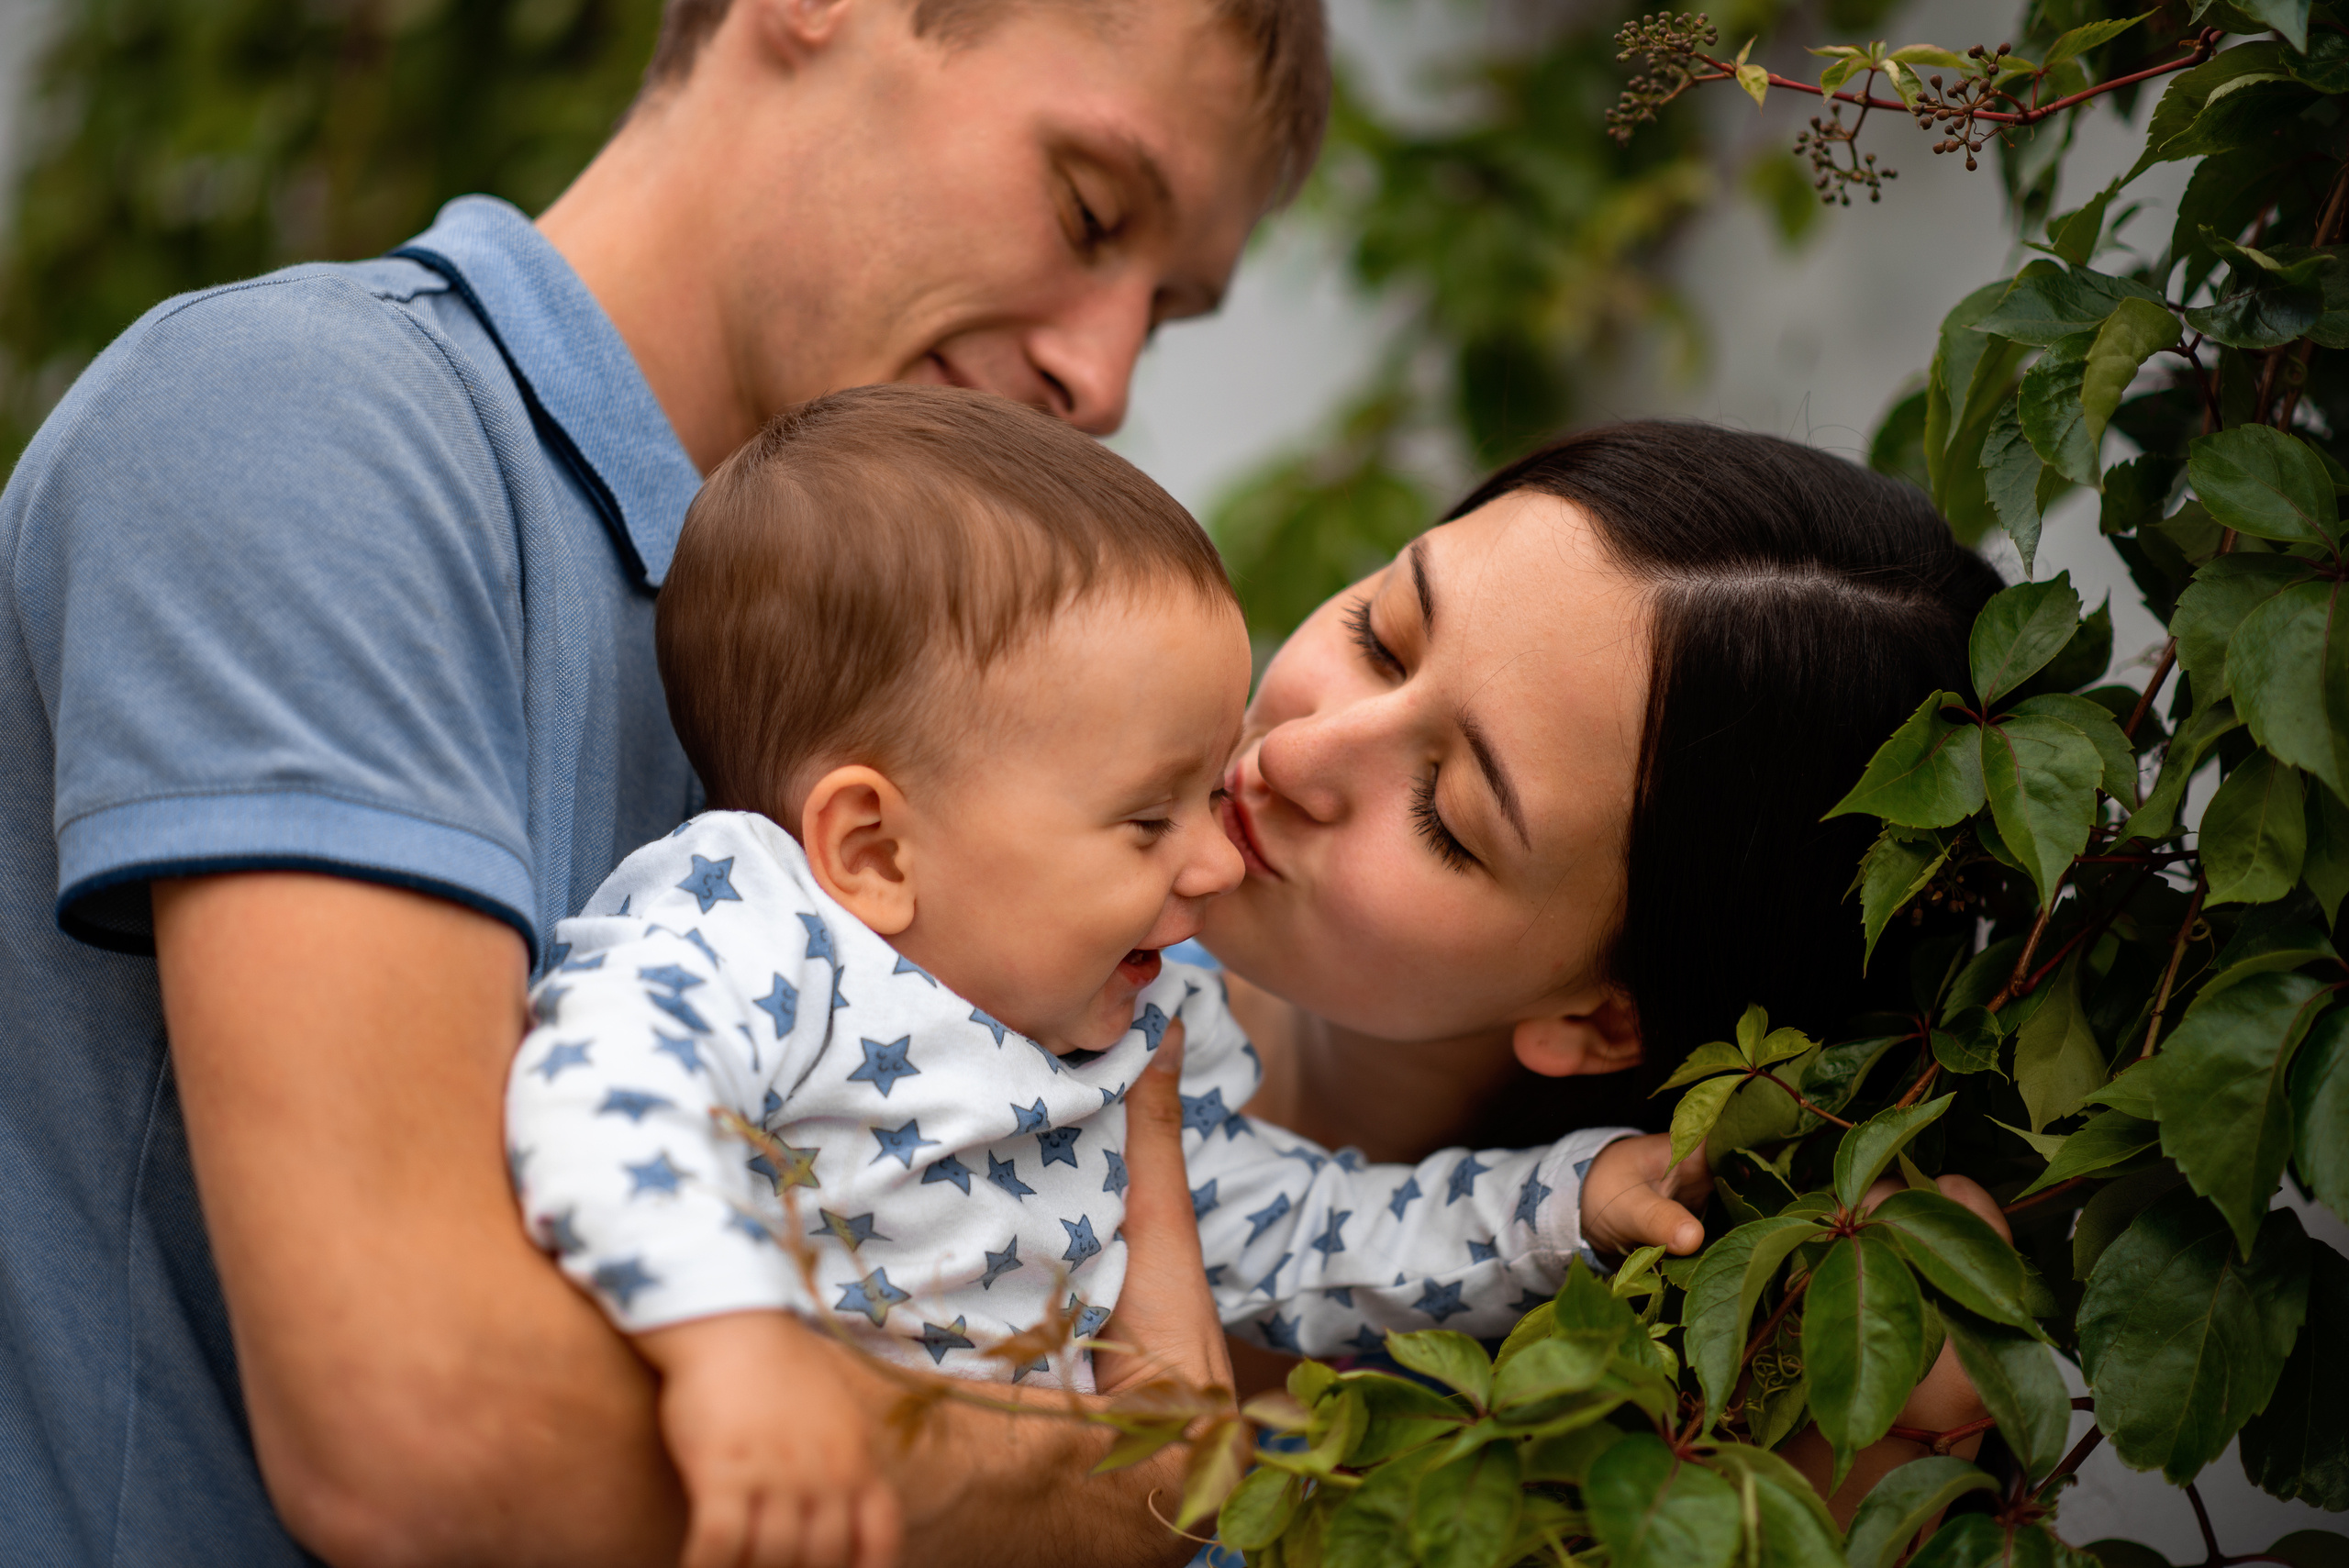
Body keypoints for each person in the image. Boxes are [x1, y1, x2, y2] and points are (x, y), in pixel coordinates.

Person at [0, 0, 1328, 1562]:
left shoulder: (930, 677)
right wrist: (1123, 1482)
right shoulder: (313, 426)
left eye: (1165, 310)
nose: (1100, 372)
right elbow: (432, 1426)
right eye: (1090, 208)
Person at [507, 384, 1693, 1565]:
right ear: (874, 848)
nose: (1219, 853)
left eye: (1203, 783)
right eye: (1145, 819)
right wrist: (727, 1337)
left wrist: (1568, 1205)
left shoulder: (1127, 1038)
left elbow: (1317, 1238)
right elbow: (601, 1097)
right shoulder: (759, 931)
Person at [1192, 420, 2014, 1512]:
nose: (1294, 752)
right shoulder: (973, 833)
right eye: (1379, 633)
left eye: (1448, 816)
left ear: (1602, 1022)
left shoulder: (1526, 1466)